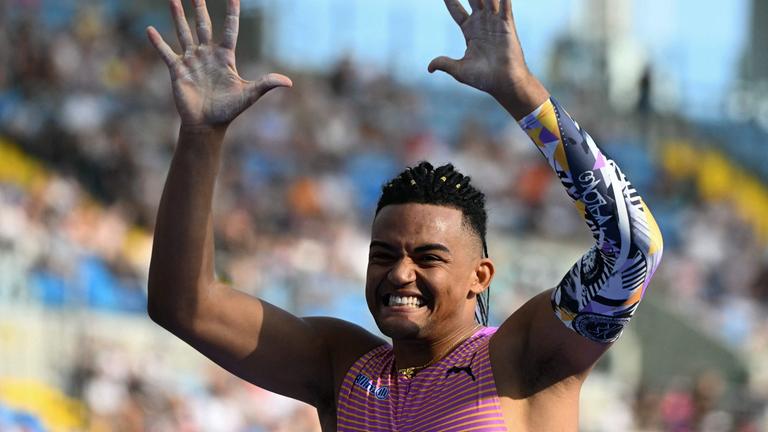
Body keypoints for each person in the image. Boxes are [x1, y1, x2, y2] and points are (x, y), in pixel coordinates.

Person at [146, 0, 664, 430]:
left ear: (479, 276)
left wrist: (519, 90)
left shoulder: (525, 357)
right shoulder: (341, 366)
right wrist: (199, 137)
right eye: (384, 254)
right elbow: (183, 305)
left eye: (428, 257)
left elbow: (634, 248)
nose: (399, 272)